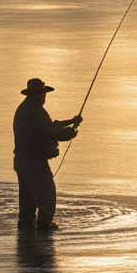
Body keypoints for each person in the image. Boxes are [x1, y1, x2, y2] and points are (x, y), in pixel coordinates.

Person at [13, 77, 82, 232]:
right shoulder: (34, 111)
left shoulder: (26, 108)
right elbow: (49, 132)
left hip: (22, 162)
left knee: (27, 203)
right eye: (44, 93)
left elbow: (49, 125)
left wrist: (70, 121)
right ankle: (44, 228)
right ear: (39, 95)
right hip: (34, 163)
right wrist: (69, 133)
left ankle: (25, 235)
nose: (45, 97)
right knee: (48, 196)